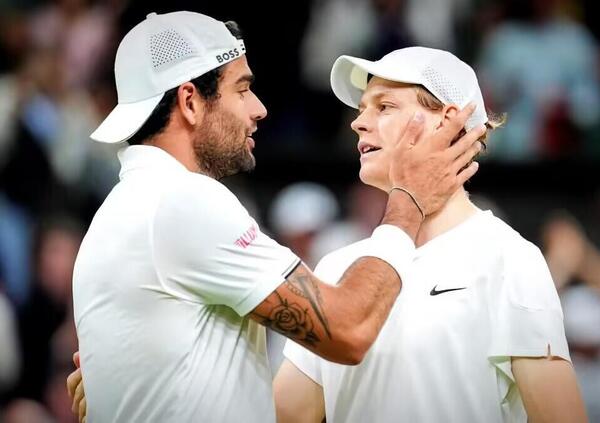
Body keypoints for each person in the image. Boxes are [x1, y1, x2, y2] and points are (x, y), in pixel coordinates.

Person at [69, 11, 483, 423]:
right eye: (242, 89)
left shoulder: (129, 207)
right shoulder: (181, 201)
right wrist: (408, 198)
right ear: (190, 101)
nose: (259, 109)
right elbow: (349, 329)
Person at [273, 47, 587, 422]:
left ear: (448, 121)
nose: (358, 123)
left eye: (384, 106)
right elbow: (281, 415)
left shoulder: (510, 259)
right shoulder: (336, 265)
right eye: (362, 109)